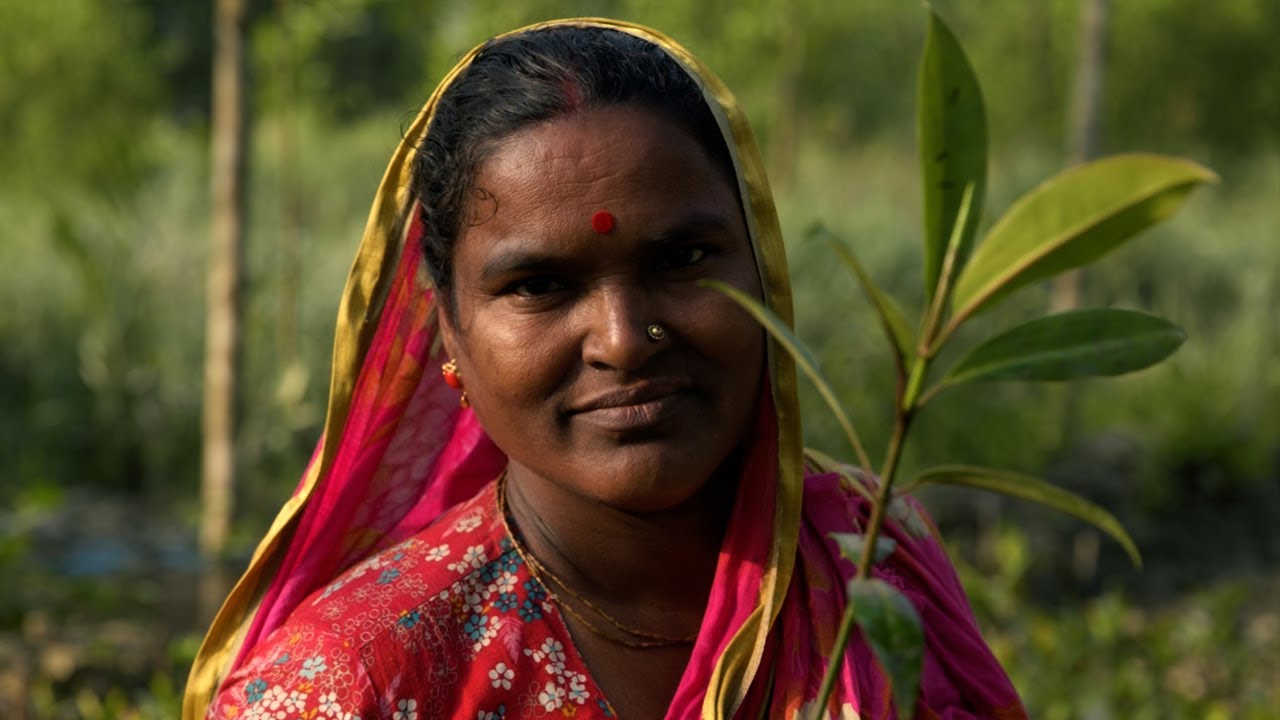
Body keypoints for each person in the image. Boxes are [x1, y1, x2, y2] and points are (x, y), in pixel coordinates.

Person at [185, 19, 1026, 720]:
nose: (624, 340)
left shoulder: (868, 553)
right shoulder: (351, 681)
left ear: (764, 268)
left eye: (685, 258)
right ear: (448, 334)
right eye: (540, 286)